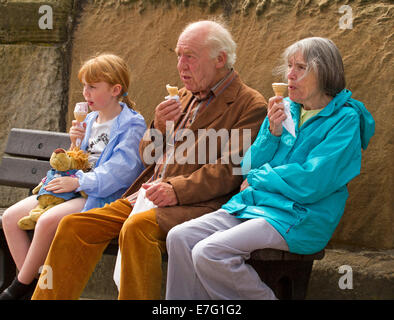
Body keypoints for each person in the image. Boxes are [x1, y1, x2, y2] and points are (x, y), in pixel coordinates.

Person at [31, 19, 267, 300]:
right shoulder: (182, 96)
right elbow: (146, 158)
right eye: (178, 55)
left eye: (189, 56)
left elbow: (232, 170)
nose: (181, 66)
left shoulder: (250, 104)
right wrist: (158, 128)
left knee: (137, 229)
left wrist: (175, 189)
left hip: (198, 204)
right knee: (74, 226)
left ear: (220, 59)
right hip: (144, 196)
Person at [165, 37, 375, 300]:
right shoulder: (284, 108)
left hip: (300, 216)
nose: (289, 75)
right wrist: (272, 134)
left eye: (300, 67)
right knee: (179, 237)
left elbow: (312, 181)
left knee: (209, 252)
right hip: (255, 204)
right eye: (289, 66)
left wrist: (257, 178)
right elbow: (248, 165)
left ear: (323, 73)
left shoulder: (345, 120)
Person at [0, 53, 146, 300]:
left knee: (47, 221)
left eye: (92, 86)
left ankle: (19, 288)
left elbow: (121, 171)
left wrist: (79, 181)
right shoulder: (90, 119)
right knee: (11, 218)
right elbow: (77, 158)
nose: (85, 93)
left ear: (115, 89)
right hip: (73, 186)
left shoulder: (131, 124)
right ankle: (38, 288)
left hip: (101, 194)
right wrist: (74, 142)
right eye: (84, 86)